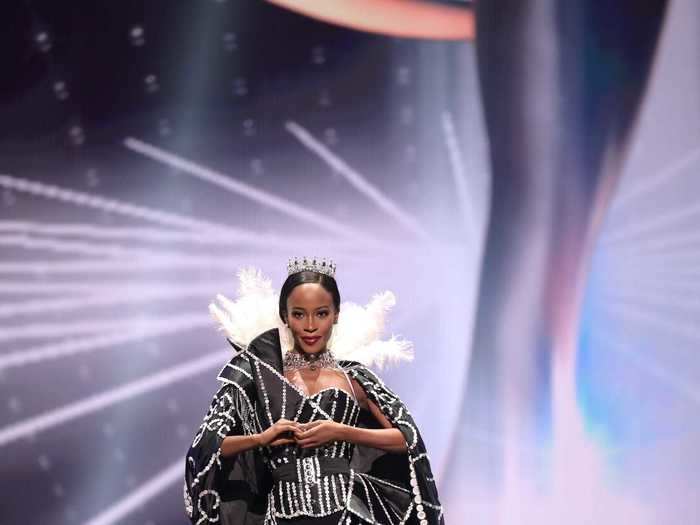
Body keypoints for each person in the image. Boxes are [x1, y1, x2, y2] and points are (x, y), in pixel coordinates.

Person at [184, 257, 443, 524]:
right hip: (281, 515)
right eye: (299, 314)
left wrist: (342, 432)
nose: (310, 325)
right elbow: (206, 447)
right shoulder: (260, 376)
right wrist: (261, 438)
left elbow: (406, 439)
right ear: (285, 316)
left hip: (346, 514)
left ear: (336, 315)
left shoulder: (353, 377)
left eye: (321, 313)